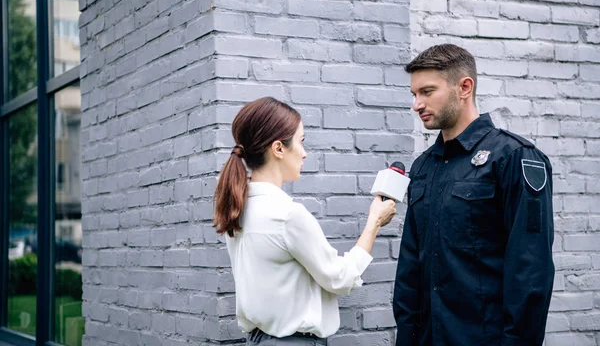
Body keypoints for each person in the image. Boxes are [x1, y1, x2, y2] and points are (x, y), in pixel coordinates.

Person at [393, 44, 554, 346]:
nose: (417, 104)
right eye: (414, 94)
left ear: (464, 87)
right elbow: (410, 267)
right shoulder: (424, 166)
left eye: (427, 92)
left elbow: (530, 270)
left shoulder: (513, 157)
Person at [213, 96, 396, 345]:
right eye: (301, 142)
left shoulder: (236, 208)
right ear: (278, 148)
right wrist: (374, 223)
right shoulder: (287, 215)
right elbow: (340, 278)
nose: (305, 153)